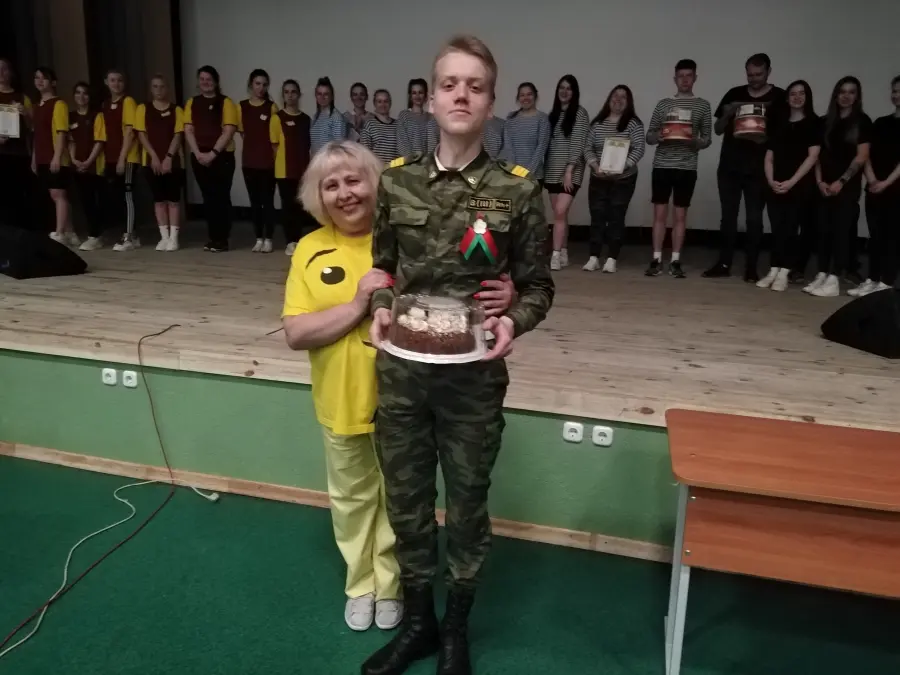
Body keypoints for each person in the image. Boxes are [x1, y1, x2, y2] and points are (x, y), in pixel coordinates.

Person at [362, 35, 554, 675]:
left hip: (473, 380)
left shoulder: (518, 192)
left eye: (475, 86)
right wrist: (379, 305)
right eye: (450, 84)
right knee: (408, 503)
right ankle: (418, 624)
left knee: (467, 507)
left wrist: (515, 318)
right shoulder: (396, 181)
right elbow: (383, 270)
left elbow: (539, 286)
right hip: (402, 375)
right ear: (431, 98)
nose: (461, 95)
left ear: (491, 102)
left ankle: (454, 631)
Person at [281, 140, 516, 635]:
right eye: (331, 185)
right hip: (342, 398)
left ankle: (390, 586)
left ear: (377, 185)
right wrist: (358, 304)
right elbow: (297, 333)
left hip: (410, 399)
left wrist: (508, 290)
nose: (345, 193)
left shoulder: (409, 240)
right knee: (351, 499)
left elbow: (462, 285)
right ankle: (359, 584)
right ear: (318, 196)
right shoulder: (308, 249)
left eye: (354, 180)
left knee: (402, 500)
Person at [705, 54, 786, 282]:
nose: (754, 79)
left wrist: (764, 139)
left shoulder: (779, 97)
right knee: (728, 218)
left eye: (758, 74)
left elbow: (783, 133)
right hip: (729, 166)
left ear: (769, 72)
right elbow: (718, 129)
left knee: (754, 220)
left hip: (759, 169)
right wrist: (729, 113)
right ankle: (723, 264)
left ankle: (751, 268)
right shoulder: (734, 93)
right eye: (750, 74)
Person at [645, 59, 712, 277]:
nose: (684, 80)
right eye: (681, 76)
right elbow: (649, 136)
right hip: (662, 164)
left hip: (687, 167)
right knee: (659, 214)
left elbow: (707, 139)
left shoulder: (703, 105)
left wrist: (693, 140)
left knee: (680, 215)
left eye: (688, 75)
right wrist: (660, 135)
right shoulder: (663, 104)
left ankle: (675, 260)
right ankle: (656, 259)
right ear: (674, 78)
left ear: (695, 78)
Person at [807, 76, 872, 297]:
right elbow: (817, 156)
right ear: (836, 94)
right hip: (824, 184)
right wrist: (820, 182)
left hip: (846, 186)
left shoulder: (862, 121)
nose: (846, 96)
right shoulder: (825, 121)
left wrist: (841, 181)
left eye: (851, 92)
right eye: (842, 91)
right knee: (823, 231)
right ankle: (822, 273)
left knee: (841, 232)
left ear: (857, 96)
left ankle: (834, 278)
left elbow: (862, 156)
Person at [761, 80, 821, 291]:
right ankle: (773, 268)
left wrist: (792, 182)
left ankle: (785, 271)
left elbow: (813, 156)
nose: (797, 97)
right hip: (776, 183)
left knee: (791, 228)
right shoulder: (779, 123)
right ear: (787, 98)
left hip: (799, 185)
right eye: (793, 93)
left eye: (801, 93)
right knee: (777, 228)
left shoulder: (814, 123)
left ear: (807, 97)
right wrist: (771, 180)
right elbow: (769, 157)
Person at [582, 84, 645, 272]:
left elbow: (639, 149)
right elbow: (587, 147)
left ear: (628, 102)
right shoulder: (597, 123)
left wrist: (621, 167)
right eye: (615, 96)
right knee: (597, 216)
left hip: (623, 179)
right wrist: (595, 166)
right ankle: (594, 257)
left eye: (623, 97)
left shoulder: (633, 124)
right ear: (609, 99)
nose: (618, 99)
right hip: (598, 176)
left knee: (616, 217)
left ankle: (611, 258)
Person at [183, 65, 238, 252]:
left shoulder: (226, 102)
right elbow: (188, 129)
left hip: (222, 157)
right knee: (208, 198)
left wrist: (213, 154)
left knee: (220, 197)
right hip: (199, 157)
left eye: (209, 79)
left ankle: (222, 239)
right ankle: (213, 237)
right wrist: (198, 153)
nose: (205, 82)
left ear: (216, 81)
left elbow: (229, 130)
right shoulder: (192, 102)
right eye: (202, 79)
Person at [859, 75, 900, 295]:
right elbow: (866, 154)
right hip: (874, 188)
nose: (897, 95)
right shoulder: (881, 123)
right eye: (894, 90)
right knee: (875, 236)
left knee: (893, 236)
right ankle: (872, 278)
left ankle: (886, 282)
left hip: (895, 189)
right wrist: (873, 179)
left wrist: (886, 183)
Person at [134, 75, 185, 251]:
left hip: (174, 162)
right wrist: (154, 157)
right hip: (151, 161)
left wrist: (169, 157)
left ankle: (174, 238)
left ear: (167, 88)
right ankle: (164, 237)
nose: (159, 90)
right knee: (159, 200)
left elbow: (178, 134)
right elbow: (141, 134)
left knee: (173, 200)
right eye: (155, 86)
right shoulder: (143, 109)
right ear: (151, 89)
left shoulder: (177, 110)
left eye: (162, 86)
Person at [545, 74, 590, 270]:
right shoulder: (552, 114)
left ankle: (555, 255)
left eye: (569, 88)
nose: (564, 91)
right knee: (560, 215)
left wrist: (569, 170)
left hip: (571, 171)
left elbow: (578, 143)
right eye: (561, 88)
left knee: (560, 212)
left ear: (574, 92)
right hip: (552, 170)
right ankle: (563, 252)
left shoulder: (580, 113)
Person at [32, 67, 76, 246]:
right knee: (55, 195)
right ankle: (70, 231)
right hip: (42, 155)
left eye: (44, 78)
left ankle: (60, 233)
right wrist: (34, 158)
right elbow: (36, 134)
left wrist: (57, 156)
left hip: (55, 155)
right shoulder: (37, 106)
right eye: (37, 78)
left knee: (58, 193)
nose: (39, 81)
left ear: (53, 82)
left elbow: (61, 132)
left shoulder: (59, 104)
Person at [270, 78, 314, 255]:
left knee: (300, 206)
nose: (290, 95)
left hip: (302, 170)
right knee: (287, 206)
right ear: (283, 95)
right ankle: (290, 241)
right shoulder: (277, 118)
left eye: (293, 92)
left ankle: (298, 239)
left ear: (299, 95)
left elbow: (308, 145)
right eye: (286, 92)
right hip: (284, 171)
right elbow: (274, 146)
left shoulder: (306, 119)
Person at [100, 68, 141, 251]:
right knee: (117, 198)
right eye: (112, 80)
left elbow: (130, 132)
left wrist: (122, 158)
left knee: (127, 195)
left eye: (120, 80)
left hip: (127, 157)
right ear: (106, 82)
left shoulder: (128, 102)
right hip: (110, 156)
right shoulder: (105, 104)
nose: (116, 84)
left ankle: (129, 237)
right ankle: (133, 233)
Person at [238, 69, 278, 253]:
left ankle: (268, 238)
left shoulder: (271, 107)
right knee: (254, 203)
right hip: (249, 162)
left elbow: (274, 136)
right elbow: (243, 133)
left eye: (264, 84)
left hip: (267, 162)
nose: (261, 88)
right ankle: (258, 238)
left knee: (267, 202)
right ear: (251, 85)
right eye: (257, 84)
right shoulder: (242, 107)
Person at [68, 81, 105, 248]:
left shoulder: (97, 115)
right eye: (78, 92)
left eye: (85, 93)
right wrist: (74, 159)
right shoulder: (71, 117)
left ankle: (96, 236)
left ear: (89, 97)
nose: (81, 96)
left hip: (94, 165)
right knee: (84, 201)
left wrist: (89, 161)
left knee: (96, 201)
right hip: (77, 165)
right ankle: (92, 234)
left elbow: (99, 141)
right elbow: (70, 141)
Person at [0, 58, 33, 230]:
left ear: (11, 73)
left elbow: (33, 126)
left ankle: (20, 232)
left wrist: (25, 113)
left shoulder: (22, 97)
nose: (1, 73)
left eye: (4, 69)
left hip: (19, 153)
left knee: (19, 195)